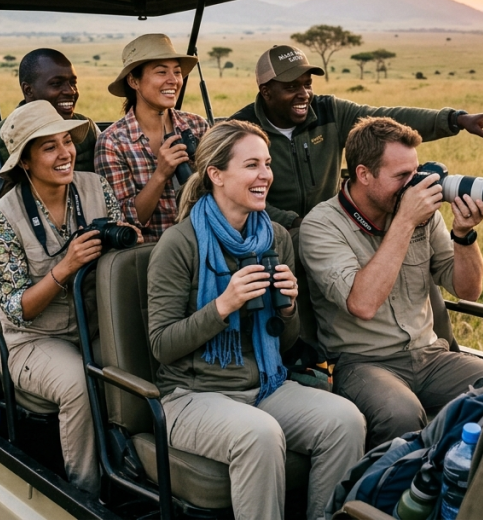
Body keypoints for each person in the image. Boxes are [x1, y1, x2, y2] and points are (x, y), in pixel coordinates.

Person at [147, 120, 365, 520]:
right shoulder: (179, 244)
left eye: (266, 164)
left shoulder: (276, 238)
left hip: (264, 383)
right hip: (192, 395)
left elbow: (282, 345)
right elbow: (161, 346)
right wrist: (222, 306)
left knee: (345, 420)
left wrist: (288, 309)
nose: (265, 175)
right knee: (259, 434)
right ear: (216, 174)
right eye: (251, 165)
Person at [300, 117, 483, 448]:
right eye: (402, 176)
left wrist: (464, 236)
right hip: (362, 362)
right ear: (364, 174)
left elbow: (468, 291)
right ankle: (381, 497)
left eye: (416, 171)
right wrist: (406, 220)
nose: (415, 184)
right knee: (401, 414)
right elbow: (362, 304)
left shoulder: (421, 212)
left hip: (431, 355)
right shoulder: (322, 226)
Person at [0, 101, 137, 494]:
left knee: (141, 366)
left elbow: (122, 252)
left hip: (97, 326)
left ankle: (137, 468)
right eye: (48, 147)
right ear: (26, 162)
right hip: (34, 341)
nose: (65, 153)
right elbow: (18, 309)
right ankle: (86, 494)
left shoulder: (95, 187)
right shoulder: (1, 218)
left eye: (66, 141)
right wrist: (64, 267)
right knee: (78, 385)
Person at [229, 45, 483, 229]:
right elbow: (228, 196)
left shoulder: (328, 111)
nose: (304, 94)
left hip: (330, 229)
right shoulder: (241, 129)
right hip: (270, 233)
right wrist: (291, 223)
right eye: (292, 86)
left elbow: (386, 118)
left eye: (307, 84)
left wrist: (455, 119)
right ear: (266, 92)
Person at [0, 48, 100, 331]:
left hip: (84, 274)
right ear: (28, 90)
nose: (69, 91)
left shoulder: (83, 130)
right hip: (23, 269)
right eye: (56, 84)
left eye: (73, 82)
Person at [95, 34, 210, 243]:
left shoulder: (196, 126)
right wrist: (160, 174)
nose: (173, 80)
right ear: (133, 81)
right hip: (152, 252)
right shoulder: (112, 142)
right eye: (161, 72)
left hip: (205, 240)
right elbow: (126, 221)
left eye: (177, 72)